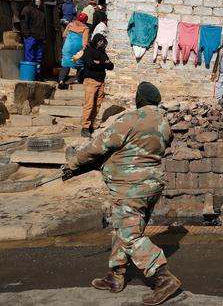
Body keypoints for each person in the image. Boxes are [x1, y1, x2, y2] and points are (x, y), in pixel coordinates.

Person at [65, 82, 181, 305]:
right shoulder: (163, 122)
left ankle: (163, 277)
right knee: (125, 229)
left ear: (139, 99)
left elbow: (99, 145)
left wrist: (73, 163)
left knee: (130, 235)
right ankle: (115, 276)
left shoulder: (131, 119)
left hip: (130, 187)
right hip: (151, 185)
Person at [79, 34, 114, 138]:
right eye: (100, 41)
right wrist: (103, 63)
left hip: (101, 81)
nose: (101, 43)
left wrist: (99, 62)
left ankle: (91, 125)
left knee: (97, 105)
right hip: (91, 81)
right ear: (95, 41)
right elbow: (90, 64)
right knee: (89, 104)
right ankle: (84, 127)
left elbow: (111, 66)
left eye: (103, 42)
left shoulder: (103, 53)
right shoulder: (88, 50)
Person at [59, 13, 90, 89]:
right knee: (81, 63)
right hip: (77, 48)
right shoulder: (85, 28)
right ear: (85, 20)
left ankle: (61, 81)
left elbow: (64, 35)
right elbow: (84, 41)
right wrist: (84, 48)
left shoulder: (70, 25)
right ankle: (77, 79)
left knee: (66, 63)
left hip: (68, 47)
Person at [20, 0, 46, 76]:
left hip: (40, 37)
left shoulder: (41, 11)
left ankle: (37, 74)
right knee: (30, 56)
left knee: (39, 57)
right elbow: (23, 22)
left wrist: (44, 36)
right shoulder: (27, 9)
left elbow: (44, 25)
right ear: (33, 0)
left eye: (40, 0)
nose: (39, 1)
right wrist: (27, 34)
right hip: (30, 37)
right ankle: (29, 75)